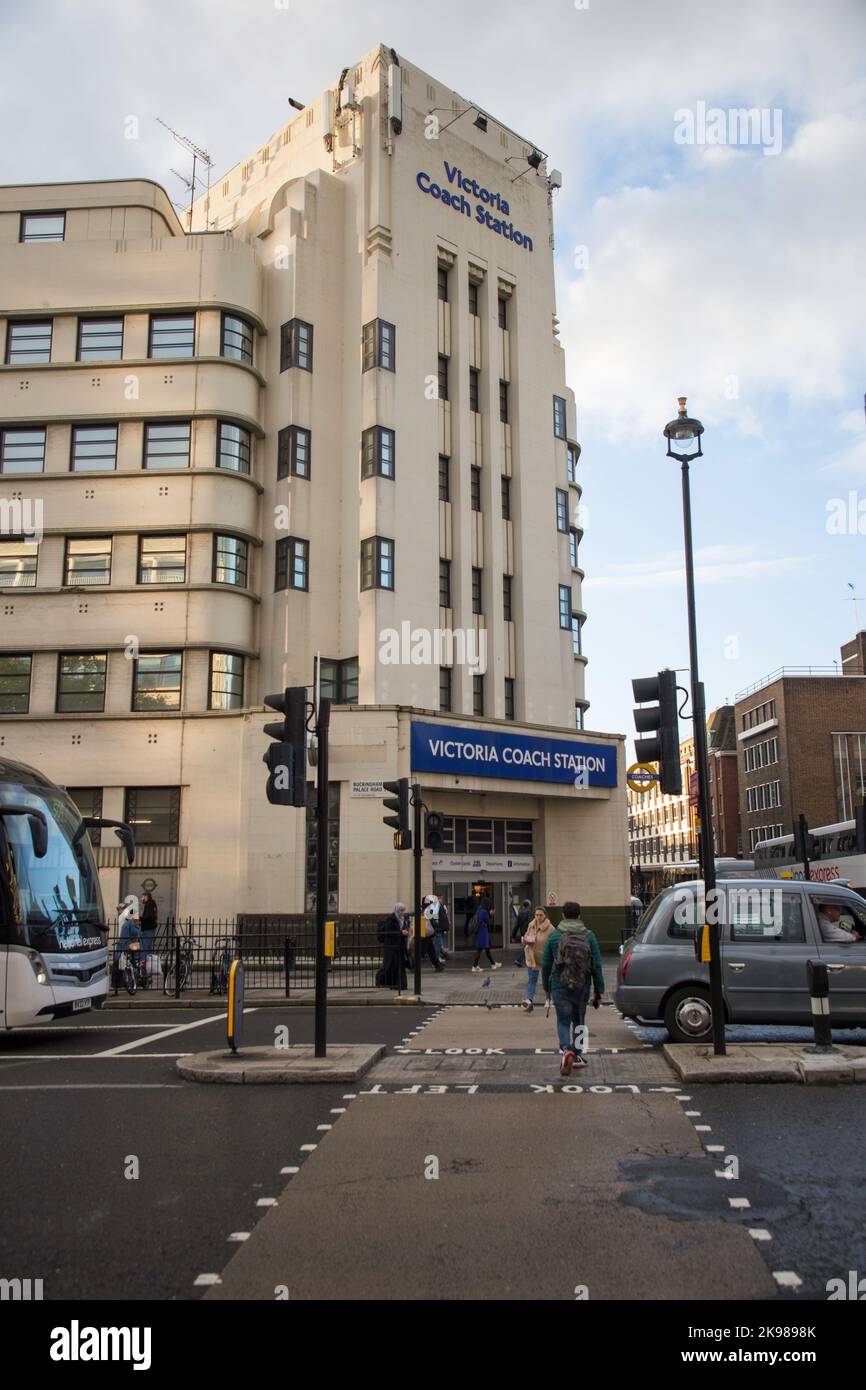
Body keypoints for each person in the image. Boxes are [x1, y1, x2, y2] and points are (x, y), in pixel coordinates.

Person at [541, 900, 605, 1076]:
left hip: (559, 985)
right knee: (579, 1019)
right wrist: (599, 991)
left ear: (562, 915)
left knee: (563, 1020)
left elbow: (546, 964)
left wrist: (546, 987)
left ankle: (565, 1049)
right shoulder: (589, 936)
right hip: (582, 985)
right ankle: (577, 1055)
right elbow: (597, 965)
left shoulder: (554, 936)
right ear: (579, 915)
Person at [522, 907, 554, 1012]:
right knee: (532, 980)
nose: (538, 917)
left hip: (545, 958)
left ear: (545, 915)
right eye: (536, 915)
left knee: (547, 980)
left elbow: (554, 943)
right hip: (531, 957)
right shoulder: (531, 925)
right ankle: (529, 1000)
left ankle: (549, 999)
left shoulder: (550, 928)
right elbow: (527, 935)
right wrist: (525, 940)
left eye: (540, 915)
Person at [377, 903, 411, 990]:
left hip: (399, 946)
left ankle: (401, 985)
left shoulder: (402, 919)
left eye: (403, 910)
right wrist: (401, 932)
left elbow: (402, 929)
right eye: (402, 910)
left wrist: (406, 932)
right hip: (391, 946)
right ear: (398, 910)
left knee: (399, 965)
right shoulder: (391, 919)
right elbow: (389, 932)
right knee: (390, 966)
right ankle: (381, 979)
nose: (403, 912)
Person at [471, 897, 501, 973]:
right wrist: (491, 914)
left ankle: (493, 964)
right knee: (480, 950)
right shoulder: (483, 911)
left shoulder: (479, 909)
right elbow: (487, 921)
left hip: (481, 932)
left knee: (486, 949)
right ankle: (474, 966)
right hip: (482, 932)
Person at [421, 897, 445, 972]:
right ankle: (412, 965)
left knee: (430, 951)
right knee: (424, 951)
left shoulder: (423, 910)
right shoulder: (429, 910)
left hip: (424, 932)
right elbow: (434, 922)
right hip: (427, 933)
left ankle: (437, 965)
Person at [513, 898, 533, 967]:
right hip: (529, 932)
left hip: (523, 932)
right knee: (527, 946)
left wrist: (513, 935)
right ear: (529, 905)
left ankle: (523, 960)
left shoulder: (520, 913)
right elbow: (530, 923)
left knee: (528, 946)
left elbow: (516, 925)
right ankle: (519, 960)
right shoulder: (529, 912)